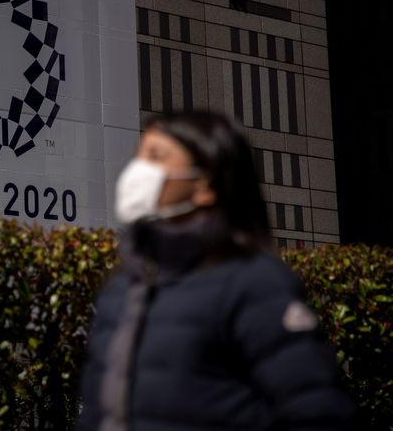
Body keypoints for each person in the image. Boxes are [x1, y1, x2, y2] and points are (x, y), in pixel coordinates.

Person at [76, 111, 355, 431]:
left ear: (205, 184)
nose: (138, 170)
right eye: (138, 155)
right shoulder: (123, 287)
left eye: (156, 156)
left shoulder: (254, 283)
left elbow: (316, 409)